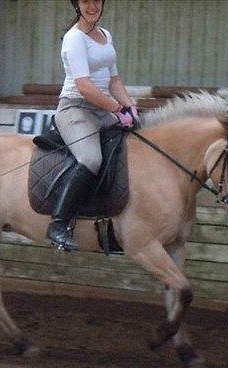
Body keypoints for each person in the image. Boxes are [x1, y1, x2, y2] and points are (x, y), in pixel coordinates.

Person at [46, 0, 139, 251]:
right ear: (77, 4)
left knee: (136, 144)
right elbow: (85, 87)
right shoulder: (74, 38)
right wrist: (117, 109)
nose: (92, 6)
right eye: (86, 1)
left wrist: (130, 106)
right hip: (75, 107)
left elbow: (114, 80)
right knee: (91, 159)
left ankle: (116, 219)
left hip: (103, 107)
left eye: (97, 0)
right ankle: (58, 224)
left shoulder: (105, 34)